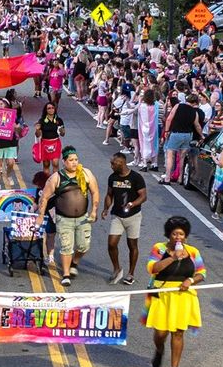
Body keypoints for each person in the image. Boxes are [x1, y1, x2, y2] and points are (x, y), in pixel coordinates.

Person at [144, 216, 207, 367]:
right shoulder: (159, 248)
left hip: (183, 296)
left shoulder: (193, 251)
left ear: (185, 236)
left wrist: (191, 280)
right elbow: (152, 268)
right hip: (162, 295)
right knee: (160, 333)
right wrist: (173, 257)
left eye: (181, 234)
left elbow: (202, 272)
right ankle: (159, 349)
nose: (178, 237)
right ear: (168, 235)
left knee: (178, 332)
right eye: (174, 234)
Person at [35, 146, 100, 287]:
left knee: (83, 246)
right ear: (64, 161)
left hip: (83, 218)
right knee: (66, 247)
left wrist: (94, 210)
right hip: (64, 219)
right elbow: (44, 198)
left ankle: (74, 262)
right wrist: (40, 216)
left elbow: (95, 192)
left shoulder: (86, 173)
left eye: (76, 159)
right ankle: (65, 274)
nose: (74, 162)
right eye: (71, 160)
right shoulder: (56, 178)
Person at [102, 152, 147, 286]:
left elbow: (143, 196)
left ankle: (131, 273)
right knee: (111, 243)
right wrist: (106, 208)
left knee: (132, 245)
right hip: (117, 216)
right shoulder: (112, 178)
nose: (111, 166)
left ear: (121, 163)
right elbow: (109, 194)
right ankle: (117, 268)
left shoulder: (136, 177)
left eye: (113, 163)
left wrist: (133, 204)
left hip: (133, 216)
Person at [162, 93, 203, 185]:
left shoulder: (178, 106)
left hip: (176, 133)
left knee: (170, 155)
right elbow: (197, 125)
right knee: (182, 157)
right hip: (188, 135)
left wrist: (167, 131)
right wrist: (201, 135)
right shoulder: (194, 112)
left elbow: (169, 119)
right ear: (195, 102)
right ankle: (180, 178)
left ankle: (167, 178)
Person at [0, 98, 19, 190]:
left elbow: (18, 129)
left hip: (10, 142)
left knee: (10, 162)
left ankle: (8, 175)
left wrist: (16, 127)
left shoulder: (12, 115)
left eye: (1, 104)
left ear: (5, 105)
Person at [35, 102, 66, 175]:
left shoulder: (59, 120)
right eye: (49, 108)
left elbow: (63, 134)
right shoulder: (42, 120)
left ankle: (55, 182)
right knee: (46, 164)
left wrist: (62, 130)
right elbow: (37, 135)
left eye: (52, 108)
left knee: (55, 163)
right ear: (46, 110)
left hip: (55, 143)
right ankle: (47, 181)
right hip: (45, 143)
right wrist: (37, 129)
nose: (51, 110)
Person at [136, 89, 160, 172]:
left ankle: (145, 164)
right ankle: (154, 164)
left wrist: (140, 99)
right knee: (154, 144)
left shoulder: (142, 106)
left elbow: (137, 109)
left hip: (144, 127)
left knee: (144, 144)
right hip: (154, 128)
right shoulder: (156, 105)